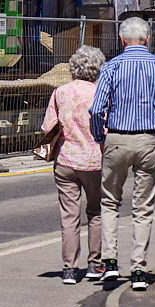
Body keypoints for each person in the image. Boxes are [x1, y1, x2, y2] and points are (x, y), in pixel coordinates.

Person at [89, 15, 155, 292]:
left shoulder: (111, 67)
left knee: (110, 202)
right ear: (148, 39)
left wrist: (100, 137)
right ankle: (139, 269)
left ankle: (109, 261)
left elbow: (96, 110)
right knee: (143, 207)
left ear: (121, 40)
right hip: (148, 139)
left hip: (117, 138)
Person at [41, 45, 106, 285]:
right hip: (94, 161)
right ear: (98, 69)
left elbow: (48, 127)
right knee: (95, 212)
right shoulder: (101, 93)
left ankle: (69, 269)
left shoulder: (60, 92)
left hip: (66, 161)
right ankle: (95, 264)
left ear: (73, 68)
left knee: (69, 216)